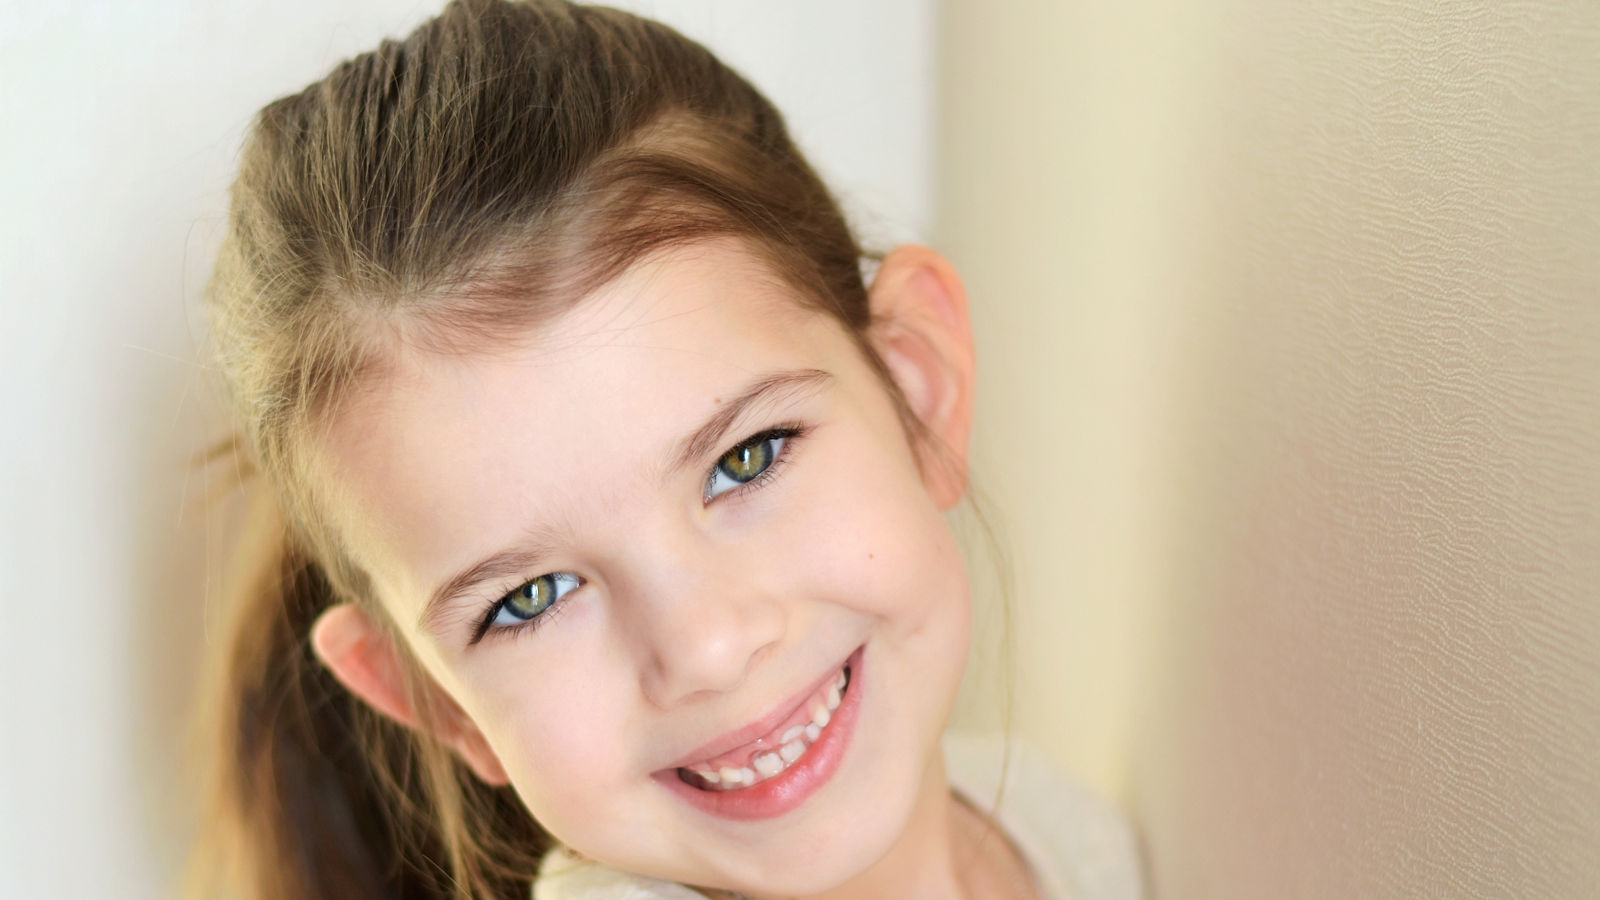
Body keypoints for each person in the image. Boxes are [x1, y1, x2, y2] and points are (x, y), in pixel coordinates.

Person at [193, 1, 1144, 897]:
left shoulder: (1059, 829)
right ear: (431, 700)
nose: (707, 648)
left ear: (916, 388)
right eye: (531, 600)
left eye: (747, 459)